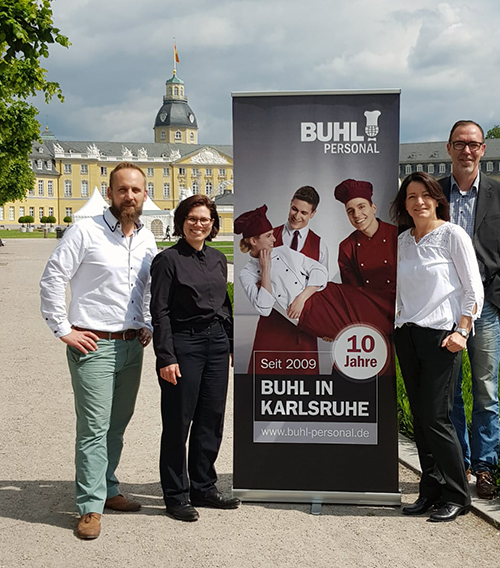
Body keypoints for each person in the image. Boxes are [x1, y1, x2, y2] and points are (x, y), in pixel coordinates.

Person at [40, 162, 157, 540]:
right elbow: (54, 276)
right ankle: (89, 506)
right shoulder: (86, 231)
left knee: (117, 425)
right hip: (93, 344)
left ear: (144, 194)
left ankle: (106, 488)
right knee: (93, 428)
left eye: (136, 190)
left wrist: (149, 322)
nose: (130, 196)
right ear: (110, 193)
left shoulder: (146, 238)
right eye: (122, 190)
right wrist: (63, 328)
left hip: (131, 346)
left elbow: (148, 288)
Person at [440, 120, 500, 499]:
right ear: (449, 148)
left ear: (483, 150)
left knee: (485, 390)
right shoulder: (433, 193)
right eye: (460, 143)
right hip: (444, 309)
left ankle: (485, 466)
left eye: (473, 144)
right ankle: (457, 462)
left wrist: (489, 298)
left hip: (486, 310)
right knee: (450, 393)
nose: (466, 150)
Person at [391, 171, 484, 522]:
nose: (419, 202)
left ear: (436, 199)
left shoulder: (451, 235)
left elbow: (474, 288)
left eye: (425, 195)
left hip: (442, 336)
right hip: (407, 335)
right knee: (420, 418)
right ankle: (429, 492)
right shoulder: (402, 242)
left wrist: (462, 330)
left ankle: (458, 495)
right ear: (404, 204)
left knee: (437, 417)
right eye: (411, 196)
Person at [150, 194, 238, 523]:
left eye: (204, 219)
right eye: (192, 218)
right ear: (181, 222)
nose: (198, 224)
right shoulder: (167, 260)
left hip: (216, 343)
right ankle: (175, 495)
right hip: (184, 345)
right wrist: (165, 356)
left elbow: (224, 305)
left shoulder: (217, 258)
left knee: (210, 419)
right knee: (178, 421)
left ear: (213, 224)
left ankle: (203, 485)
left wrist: (229, 343)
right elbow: (159, 311)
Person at [235, 205, 393, 347]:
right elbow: (264, 308)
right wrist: (265, 271)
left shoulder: (283, 251)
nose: (274, 239)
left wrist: (301, 298)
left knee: (375, 305)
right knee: (365, 331)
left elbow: (319, 271)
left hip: (328, 294)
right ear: (254, 241)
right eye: (268, 236)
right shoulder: (247, 274)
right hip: (309, 316)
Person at [247, 186, 328, 374]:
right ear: (290, 203)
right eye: (294, 209)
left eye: (304, 212)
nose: (297, 216)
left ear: (313, 213)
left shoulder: (320, 246)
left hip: (303, 326)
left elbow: (321, 286)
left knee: (303, 389)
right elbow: (253, 273)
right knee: (261, 385)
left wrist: (301, 300)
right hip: (271, 323)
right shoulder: (267, 236)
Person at [334, 178, 397, 339]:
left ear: (373, 207)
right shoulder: (346, 247)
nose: (357, 215)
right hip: (369, 315)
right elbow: (353, 293)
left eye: (361, 207)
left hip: (401, 312)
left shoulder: (397, 235)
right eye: (350, 211)